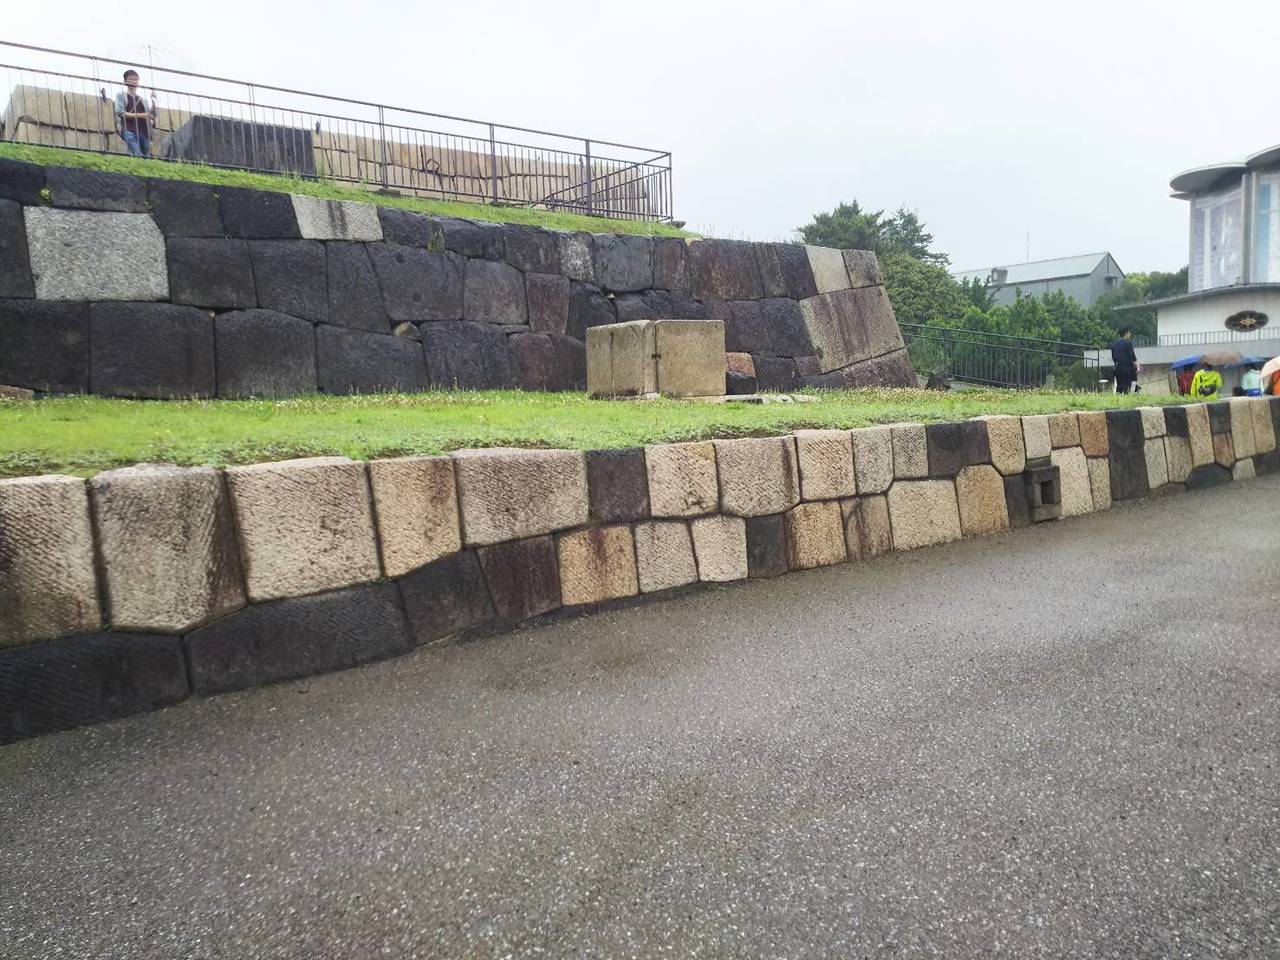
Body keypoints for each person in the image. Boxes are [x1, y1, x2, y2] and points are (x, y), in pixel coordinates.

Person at [113, 69, 157, 158]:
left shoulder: (143, 100)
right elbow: (120, 112)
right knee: (136, 153)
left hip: (144, 132)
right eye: (131, 79)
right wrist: (140, 115)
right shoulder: (121, 96)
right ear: (125, 82)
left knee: (146, 157)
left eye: (136, 79)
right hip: (129, 130)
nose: (134, 81)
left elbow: (151, 115)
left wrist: (153, 101)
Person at [1110, 327, 1140, 394]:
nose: (1130, 334)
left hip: (1118, 368)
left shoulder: (1114, 345)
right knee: (1131, 385)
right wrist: (1137, 367)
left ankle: (1118, 397)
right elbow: (1132, 357)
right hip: (1127, 369)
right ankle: (1131, 396)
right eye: (1129, 333)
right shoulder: (1128, 343)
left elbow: (1113, 358)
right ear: (1126, 333)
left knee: (1119, 387)